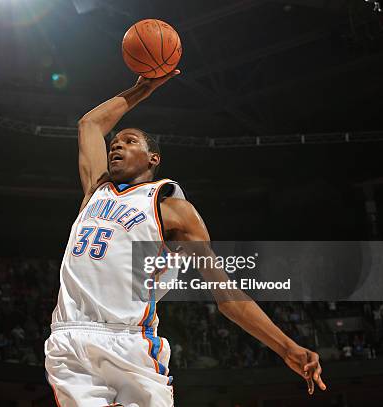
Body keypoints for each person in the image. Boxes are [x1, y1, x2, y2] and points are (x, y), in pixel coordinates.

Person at [44, 70, 327, 407]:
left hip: (130, 341)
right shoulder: (95, 190)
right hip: (70, 337)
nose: (117, 144)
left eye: (130, 140)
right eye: (116, 142)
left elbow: (226, 295)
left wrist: (286, 346)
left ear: (154, 159)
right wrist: (142, 89)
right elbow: (89, 125)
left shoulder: (175, 211)